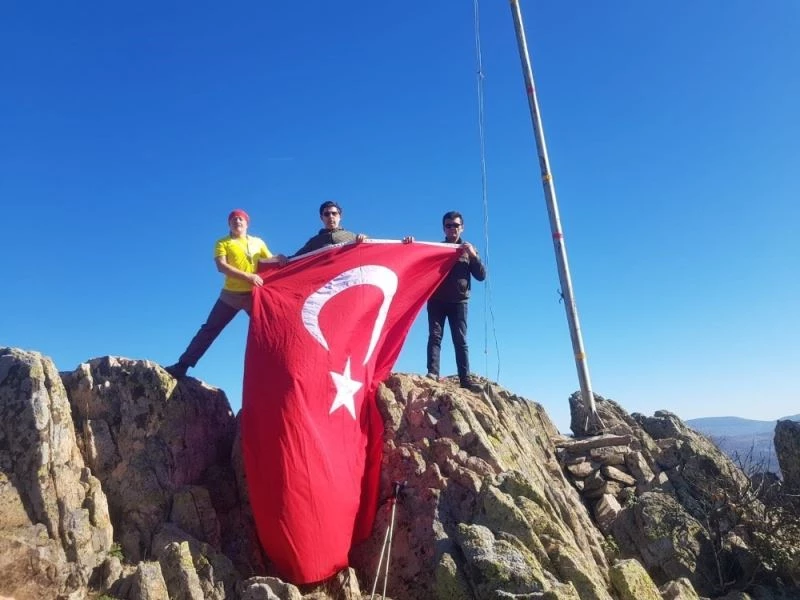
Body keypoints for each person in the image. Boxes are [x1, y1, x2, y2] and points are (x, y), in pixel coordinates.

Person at [165, 209, 284, 378]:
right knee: (210, 329)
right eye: (233, 219)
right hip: (230, 295)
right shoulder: (222, 242)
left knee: (269, 330)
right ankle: (182, 366)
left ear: (247, 223)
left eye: (240, 219)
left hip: (254, 296)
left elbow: (268, 261)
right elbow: (221, 266)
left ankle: (278, 371)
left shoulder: (258, 242)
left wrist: (279, 258)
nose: (237, 222)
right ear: (229, 224)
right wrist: (248, 276)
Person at [426, 211, 486, 390]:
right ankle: (433, 373)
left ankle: (465, 379)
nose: (452, 228)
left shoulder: (469, 250)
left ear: (462, 227)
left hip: (459, 302)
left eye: (456, 225)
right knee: (435, 336)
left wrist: (473, 256)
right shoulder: (436, 249)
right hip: (436, 300)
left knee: (460, 340)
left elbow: (481, 276)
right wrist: (410, 243)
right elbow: (419, 263)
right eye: (448, 225)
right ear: (443, 228)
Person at [293, 200, 367, 256]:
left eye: (334, 213)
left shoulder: (352, 237)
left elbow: (367, 252)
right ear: (321, 218)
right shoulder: (314, 242)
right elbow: (296, 259)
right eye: (326, 214)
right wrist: (286, 259)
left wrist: (364, 239)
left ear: (340, 216)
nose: (331, 216)